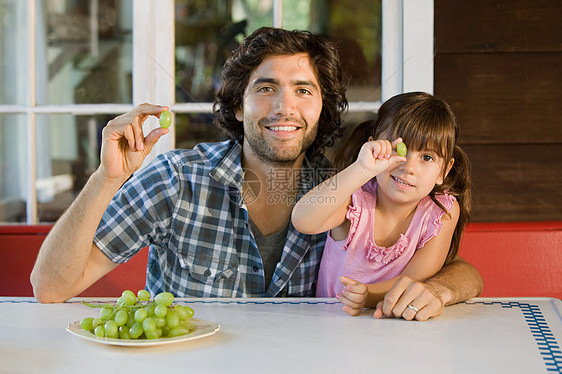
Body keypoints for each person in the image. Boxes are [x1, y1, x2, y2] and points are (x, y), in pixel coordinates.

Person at [31, 28, 482, 320]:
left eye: (303, 90)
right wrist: (107, 178)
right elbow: (51, 288)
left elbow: (458, 269)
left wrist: (438, 291)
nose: (284, 107)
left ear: (323, 107)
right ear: (237, 103)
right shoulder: (178, 179)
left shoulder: (350, 189)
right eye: (265, 88)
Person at [292, 92, 475, 320]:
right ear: (374, 147)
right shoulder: (355, 199)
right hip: (333, 322)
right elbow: (303, 221)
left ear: (444, 171)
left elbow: (416, 277)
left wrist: (368, 296)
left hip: (396, 325)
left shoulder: (442, 212)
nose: (408, 167)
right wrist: (362, 169)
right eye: (400, 150)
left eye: (427, 157)